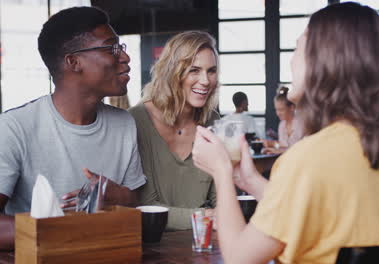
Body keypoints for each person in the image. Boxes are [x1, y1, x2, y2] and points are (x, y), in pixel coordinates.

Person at [192, 3, 379, 263]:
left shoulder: (309, 158)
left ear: (323, 62)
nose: (291, 58)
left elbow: (239, 258)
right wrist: (251, 181)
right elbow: (313, 211)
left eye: (298, 48)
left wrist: (221, 173)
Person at [0, 7, 146, 250]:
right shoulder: (14, 128)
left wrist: (117, 196)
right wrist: (66, 231)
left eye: (121, 47)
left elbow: (134, 202)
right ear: (74, 62)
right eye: (112, 47)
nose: (124, 57)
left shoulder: (124, 124)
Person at [128, 31, 218, 230]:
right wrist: (207, 216)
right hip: (152, 247)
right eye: (194, 70)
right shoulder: (135, 121)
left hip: (205, 243)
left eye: (211, 70)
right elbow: (145, 207)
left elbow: (219, 200)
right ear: (172, 71)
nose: (205, 80)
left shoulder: (213, 122)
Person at [262, 86, 302, 154]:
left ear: (292, 108)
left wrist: (277, 148)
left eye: (281, 110)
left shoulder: (302, 124)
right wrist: (273, 146)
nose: (278, 113)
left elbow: (302, 149)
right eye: (276, 110)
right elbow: (283, 146)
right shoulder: (282, 125)